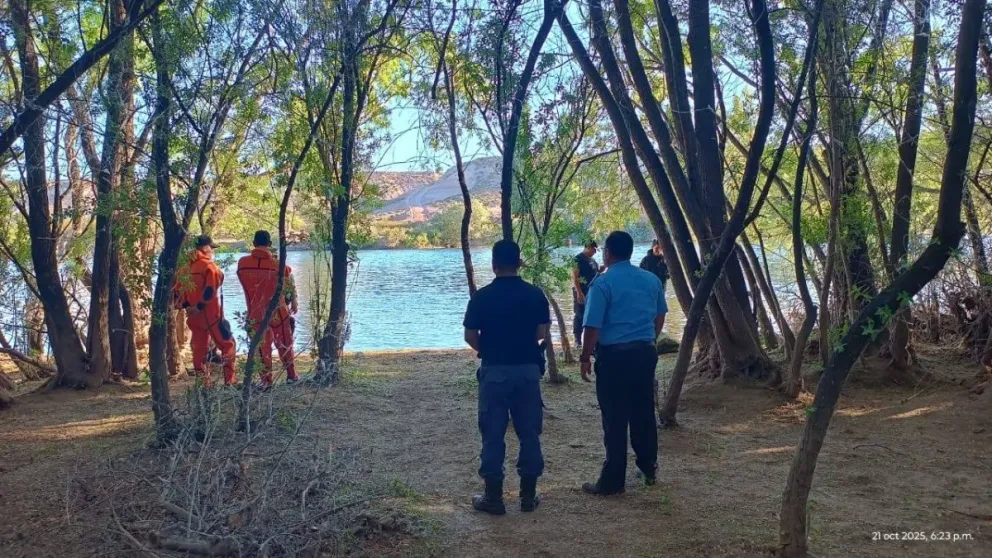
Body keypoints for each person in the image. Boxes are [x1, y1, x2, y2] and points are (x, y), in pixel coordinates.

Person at [463, 240, 549, 515]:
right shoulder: (535, 294)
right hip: (527, 371)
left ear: (494, 265)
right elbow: (541, 333)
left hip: (495, 372)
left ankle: (494, 497)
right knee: (529, 433)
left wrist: (488, 349)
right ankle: (528, 496)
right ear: (519, 263)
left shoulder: (482, 297)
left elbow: (470, 335)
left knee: (492, 434)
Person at [579, 231, 667, 495]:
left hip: (614, 357)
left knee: (614, 416)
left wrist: (585, 357)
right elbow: (660, 315)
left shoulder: (602, 284)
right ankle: (648, 469)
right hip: (644, 353)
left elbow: (592, 326)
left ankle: (613, 480)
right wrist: (649, 339)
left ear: (607, 253)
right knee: (643, 410)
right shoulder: (651, 279)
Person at [237, 230, 301, 387]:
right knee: (285, 343)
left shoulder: (242, 264)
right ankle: (291, 376)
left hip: (255, 312)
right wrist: (293, 301)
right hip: (278, 311)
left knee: (261, 348)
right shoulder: (279, 265)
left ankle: (266, 382)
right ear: (270, 244)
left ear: (253, 244)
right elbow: (288, 282)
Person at [174, 235, 237, 387]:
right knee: (228, 344)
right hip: (211, 314)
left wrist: (188, 306)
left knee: (199, 349)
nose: (212, 251)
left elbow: (177, 293)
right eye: (211, 248)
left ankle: (203, 384)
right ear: (205, 248)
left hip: (194, 317)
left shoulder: (184, 268)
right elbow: (210, 289)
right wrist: (199, 307)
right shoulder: (209, 266)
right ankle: (230, 382)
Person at [571, 240, 599, 349]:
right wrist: (579, 292)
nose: (595, 252)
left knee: (590, 315)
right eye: (594, 250)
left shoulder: (592, 260)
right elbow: (575, 277)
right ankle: (577, 340)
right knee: (579, 314)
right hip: (581, 290)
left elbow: (594, 274)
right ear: (588, 248)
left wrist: (600, 271)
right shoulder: (578, 259)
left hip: (591, 291)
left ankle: (590, 341)